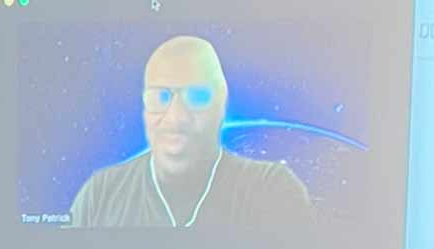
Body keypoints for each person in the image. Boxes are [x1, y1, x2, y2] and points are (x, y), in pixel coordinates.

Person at [63, 36, 311, 231]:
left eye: (197, 96)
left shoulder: (271, 191)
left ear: (221, 104)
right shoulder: (101, 194)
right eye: (161, 96)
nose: (176, 118)